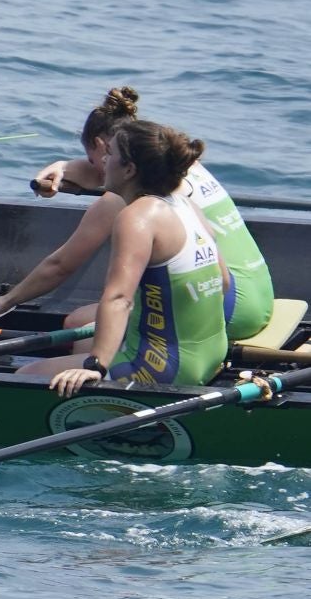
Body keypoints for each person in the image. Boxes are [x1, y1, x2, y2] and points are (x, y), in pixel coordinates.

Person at [0, 86, 274, 340]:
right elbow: (110, 176)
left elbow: (60, 266)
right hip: (258, 294)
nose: (98, 169)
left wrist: (3, 303)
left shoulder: (121, 204)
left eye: (97, 160)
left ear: (103, 147)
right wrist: (67, 165)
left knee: (78, 322)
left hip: (228, 308)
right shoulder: (177, 163)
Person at [16, 121, 227, 396]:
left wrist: (96, 366)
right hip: (212, 354)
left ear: (129, 170)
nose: (103, 159)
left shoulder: (137, 217)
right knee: (90, 335)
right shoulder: (185, 204)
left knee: (26, 376)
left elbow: (119, 299)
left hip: (162, 367)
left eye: (111, 154)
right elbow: (223, 281)